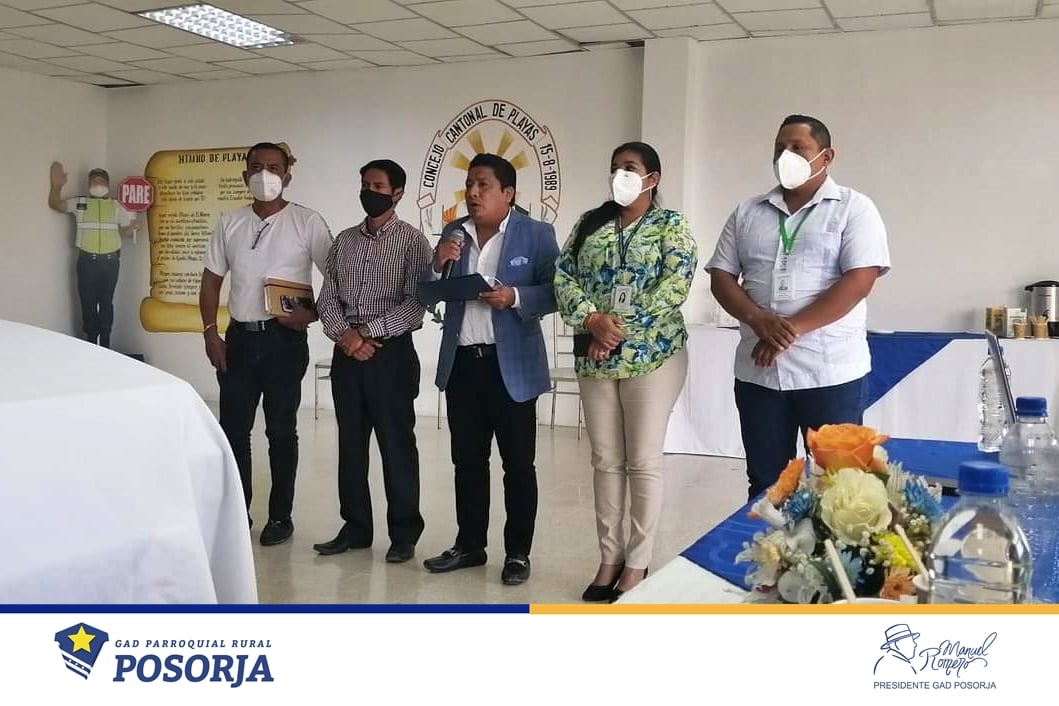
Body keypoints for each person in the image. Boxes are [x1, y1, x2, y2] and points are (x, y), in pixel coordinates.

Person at [706, 114, 891, 501]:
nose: (785, 156)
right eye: (779, 148)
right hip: (760, 375)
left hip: (829, 373)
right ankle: (773, 543)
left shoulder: (854, 208)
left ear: (827, 156)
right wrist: (759, 320)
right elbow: (721, 277)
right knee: (767, 486)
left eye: (797, 148)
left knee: (840, 488)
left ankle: (832, 545)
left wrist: (789, 330)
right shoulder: (748, 211)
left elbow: (860, 280)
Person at [554, 142, 697, 602]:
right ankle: (609, 557)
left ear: (653, 178)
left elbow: (674, 286)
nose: (621, 175)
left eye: (630, 168)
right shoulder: (590, 223)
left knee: (643, 460)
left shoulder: (671, 225)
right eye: (615, 167)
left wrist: (615, 329)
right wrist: (592, 320)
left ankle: (637, 562)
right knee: (605, 460)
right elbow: (563, 275)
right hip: (595, 356)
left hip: (652, 355)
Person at [418, 153, 559, 586]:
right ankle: (470, 545)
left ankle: (517, 553)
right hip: (463, 363)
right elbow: (426, 293)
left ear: (508, 193)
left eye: (483, 185)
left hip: (510, 366)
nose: (473, 193)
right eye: (469, 185)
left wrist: (515, 297)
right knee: (467, 462)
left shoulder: (537, 234)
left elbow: (556, 291)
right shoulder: (454, 233)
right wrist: (436, 262)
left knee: (518, 465)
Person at [198, 142, 333, 546]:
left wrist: (312, 314)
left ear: (287, 176)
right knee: (234, 430)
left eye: (273, 167)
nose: (264, 175)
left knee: (281, 431)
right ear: (245, 175)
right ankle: (238, 514)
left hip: (284, 342)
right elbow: (211, 280)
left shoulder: (307, 222)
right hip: (239, 340)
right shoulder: (230, 223)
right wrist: (210, 332)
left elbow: (337, 277)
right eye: (256, 167)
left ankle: (280, 517)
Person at [313, 159, 431, 563]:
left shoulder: (413, 242)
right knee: (350, 445)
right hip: (347, 355)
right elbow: (327, 297)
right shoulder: (344, 241)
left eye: (378, 186)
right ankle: (356, 527)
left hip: (390, 355)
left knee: (396, 446)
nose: (369, 192)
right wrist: (345, 336)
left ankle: (404, 533)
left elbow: (415, 305)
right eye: (365, 184)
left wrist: (366, 332)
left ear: (397, 193)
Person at [48, 163, 141, 348]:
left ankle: (105, 344)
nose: (98, 184)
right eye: (94, 181)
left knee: (106, 302)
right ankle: (91, 344)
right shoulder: (79, 203)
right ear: (89, 184)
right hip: (87, 262)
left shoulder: (116, 206)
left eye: (101, 181)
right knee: (88, 302)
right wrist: (57, 186)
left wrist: (133, 228)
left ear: (107, 184)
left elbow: (125, 232)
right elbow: (56, 204)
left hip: (110, 262)